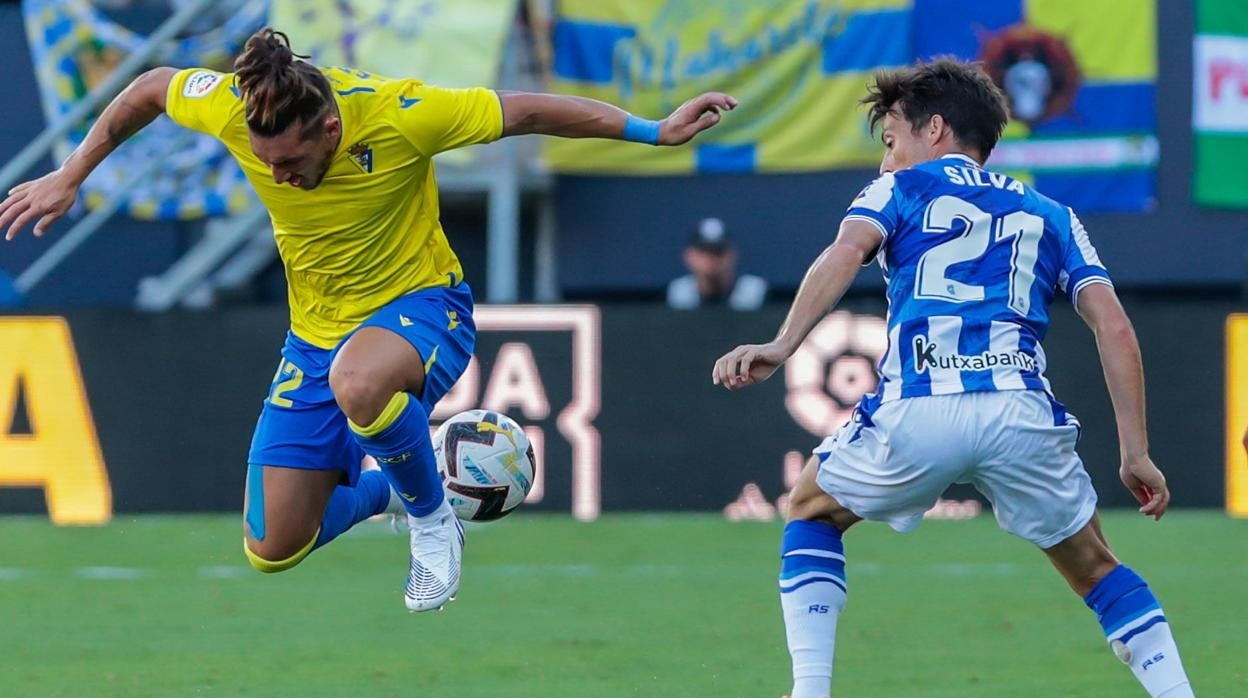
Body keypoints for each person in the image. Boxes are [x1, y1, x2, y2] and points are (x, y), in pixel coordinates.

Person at [0, 28, 736, 613]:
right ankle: (407, 478)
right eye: (265, 162)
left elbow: (531, 112)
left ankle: (431, 520)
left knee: (360, 380)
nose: (279, 176)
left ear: (328, 126)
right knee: (273, 545)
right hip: (313, 337)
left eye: (290, 161)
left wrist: (652, 130)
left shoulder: (403, 113)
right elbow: (151, 89)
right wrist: (71, 174)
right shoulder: (232, 106)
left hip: (424, 310)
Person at [712, 59, 1193, 698]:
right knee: (1097, 568)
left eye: (891, 141)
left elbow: (844, 253)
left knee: (810, 509)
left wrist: (782, 343)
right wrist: (1135, 451)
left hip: (920, 408)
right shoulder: (1052, 212)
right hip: (1019, 411)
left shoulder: (897, 191)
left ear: (934, 129)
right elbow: (1115, 329)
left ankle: (810, 690)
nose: (886, 161)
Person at [667, 216, 768, 310]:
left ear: (732, 255)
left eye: (718, 251)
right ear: (689, 256)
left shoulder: (756, 293)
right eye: (704, 251)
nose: (711, 259)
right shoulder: (676, 294)